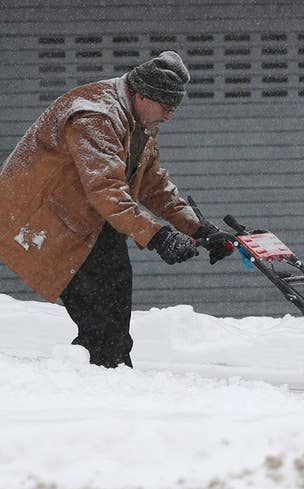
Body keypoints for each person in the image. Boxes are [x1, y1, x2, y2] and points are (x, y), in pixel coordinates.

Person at [0, 51, 232, 368]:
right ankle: (94, 385)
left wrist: (200, 229)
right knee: (101, 322)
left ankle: (111, 375)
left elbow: (154, 186)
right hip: (45, 220)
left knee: (115, 305)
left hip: (87, 217)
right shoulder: (96, 117)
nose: (169, 116)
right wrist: (159, 236)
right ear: (142, 96)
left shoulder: (138, 123)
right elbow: (106, 189)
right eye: (166, 107)